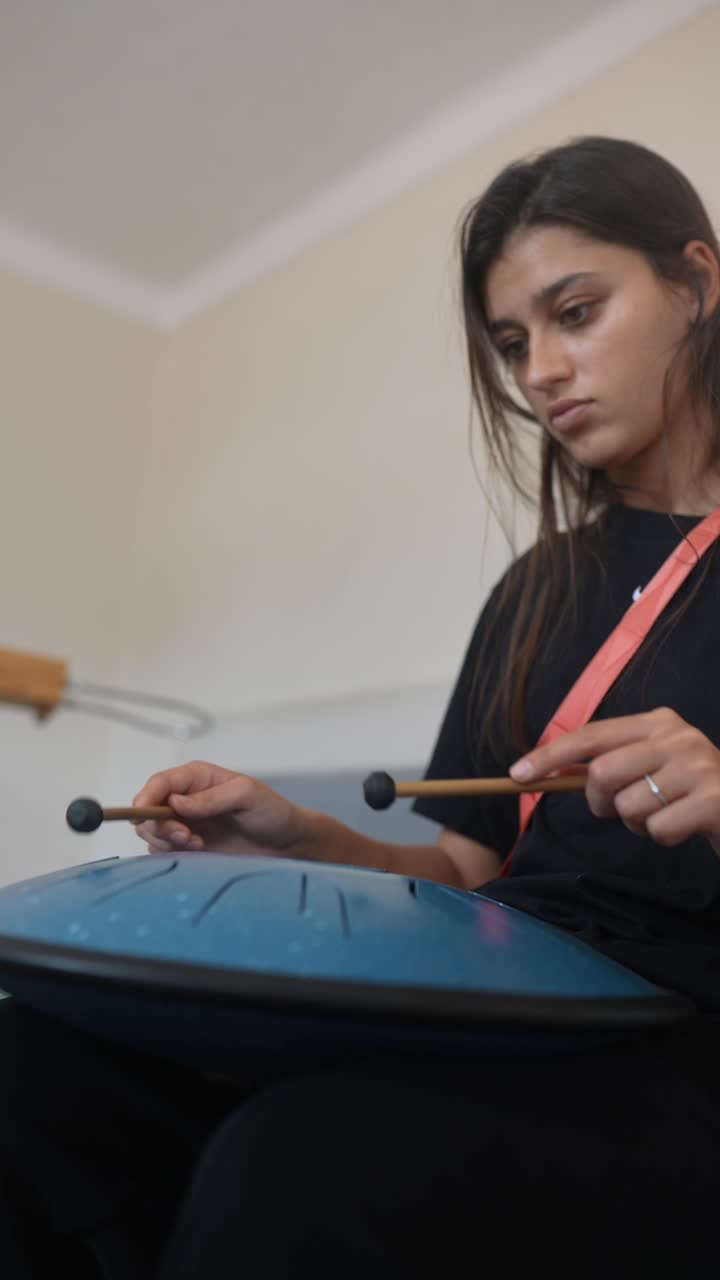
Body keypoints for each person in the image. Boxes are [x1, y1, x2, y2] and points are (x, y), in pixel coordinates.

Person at [3, 135, 720, 1279]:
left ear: (696, 282)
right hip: (500, 1008)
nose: (540, 371)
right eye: (512, 343)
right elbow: (469, 875)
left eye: (576, 312)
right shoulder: (536, 588)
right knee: (25, 1059)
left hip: (671, 1051)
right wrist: (302, 839)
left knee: (306, 1161)